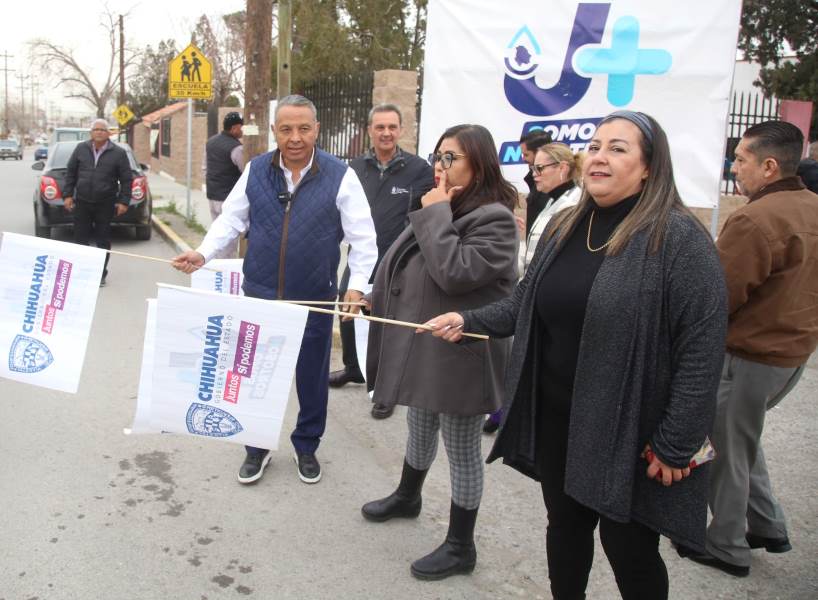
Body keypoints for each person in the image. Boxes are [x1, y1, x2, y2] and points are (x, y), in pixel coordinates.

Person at [424, 111, 728, 599]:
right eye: (596, 144)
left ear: (650, 167)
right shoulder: (567, 225)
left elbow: (702, 350)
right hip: (559, 420)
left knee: (629, 547)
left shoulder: (678, 240)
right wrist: (470, 321)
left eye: (618, 148)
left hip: (627, 428)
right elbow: (528, 299)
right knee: (564, 529)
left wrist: (676, 442)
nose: (600, 156)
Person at [172, 95, 377, 485]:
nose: (295, 137)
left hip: (314, 296)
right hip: (261, 294)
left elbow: (363, 239)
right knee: (253, 376)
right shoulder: (255, 171)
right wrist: (202, 254)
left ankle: (306, 446)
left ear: (317, 129)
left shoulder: (339, 175)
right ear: (274, 132)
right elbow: (230, 221)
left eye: (303, 128)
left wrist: (357, 287)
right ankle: (256, 447)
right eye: (286, 129)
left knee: (311, 377)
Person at [361, 124, 518, 581]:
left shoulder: (495, 218)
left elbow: (454, 272)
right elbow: (413, 264)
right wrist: (379, 293)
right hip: (429, 342)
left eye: (452, 158)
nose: (439, 166)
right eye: (438, 155)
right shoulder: (448, 206)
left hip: (463, 350)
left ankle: (460, 545)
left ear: (480, 164)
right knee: (419, 421)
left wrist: (435, 214)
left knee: (461, 446)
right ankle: (408, 496)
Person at [680, 121, 818, 577]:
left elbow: (718, 296)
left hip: (749, 356)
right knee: (741, 440)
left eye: (741, 159)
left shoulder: (755, 219)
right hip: (791, 355)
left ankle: (727, 546)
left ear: (770, 166)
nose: (734, 167)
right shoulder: (811, 208)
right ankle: (767, 525)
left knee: (727, 449)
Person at [328, 103, 434, 421]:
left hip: (398, 262)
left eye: (392, 127)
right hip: (360, 258)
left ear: (400, 130)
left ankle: (386, 389)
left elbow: (426, 217)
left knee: (387, 325)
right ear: (370, 130)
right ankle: (353, 368)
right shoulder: (354, 168)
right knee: (348, 312)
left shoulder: (419, 170)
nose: (386, 133)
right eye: (380, 127)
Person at [482, 143, 584, 436]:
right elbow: (535, 254)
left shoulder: (572, 206)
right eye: (532, 168)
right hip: (532, 295)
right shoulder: (552, 201)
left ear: (562, 168)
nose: (534, 175)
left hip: (552, 306)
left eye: (540, 168)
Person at [63, 119, 133, 287]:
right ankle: (81, 271)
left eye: (103, 130)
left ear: (108, 133)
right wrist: (67, 195)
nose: (99, 132)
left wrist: (123, 201)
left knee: (103, 239)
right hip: (83, 201)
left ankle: (100, 274)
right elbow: (71, 172)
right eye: (96, 129)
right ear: (91, 133)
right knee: (80, 238)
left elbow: (126, 179)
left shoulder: (118, 153)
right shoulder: (81, 149)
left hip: (105, 202)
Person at [204, 111, 245, 222]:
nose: (243, 130)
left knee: (217, 233)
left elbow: (205, 168)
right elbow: (245, 172)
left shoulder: (210, 142)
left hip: (212, 196)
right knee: (230, 235)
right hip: (227, 199)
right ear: (235, 128)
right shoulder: (236, 148)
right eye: (242, 126)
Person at [519, 129, 553, 237]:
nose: (523, 159)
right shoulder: (534, 181)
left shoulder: (551, 185)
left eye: (526, 154)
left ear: (539, 153)